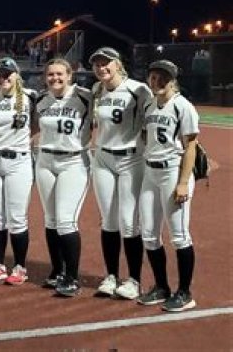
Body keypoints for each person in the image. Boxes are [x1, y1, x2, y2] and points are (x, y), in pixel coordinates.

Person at [88, 47, 153, 300]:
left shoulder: (137, 89)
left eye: (106, 63)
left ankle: (134, 279)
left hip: (130, 159)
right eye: (97, 64)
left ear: (118, 64)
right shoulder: (97, 90)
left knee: (128, 221)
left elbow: (153, 118)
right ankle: (111, 276)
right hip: (103, 158)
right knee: (108, 220)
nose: (101, 68)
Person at [137, 60, 199, 312]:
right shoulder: (149, 104)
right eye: (153, 77)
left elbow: (191, 147)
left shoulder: (183, 106)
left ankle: (184, 292)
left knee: (179, 236)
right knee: (149, 234)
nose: (157, 82)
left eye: (163, 77)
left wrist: (183, 182)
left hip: (173, 172)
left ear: (173, 80)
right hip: (150, 173)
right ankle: (161, 287)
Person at [35, 58, 93, 297]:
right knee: (50, 219)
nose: (55, 78)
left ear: (70, 75)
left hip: (73, 161)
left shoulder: (85, 97)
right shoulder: (41, 99)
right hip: (45, 160)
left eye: (60, 74)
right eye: (51, 74)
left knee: (66, 220)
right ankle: (57, 270)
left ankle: (72, 276)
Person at [0, 57, 36, 285]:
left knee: (17, 218)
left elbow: (36, 125)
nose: (2, 78)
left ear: (16, 75)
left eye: (7, 73)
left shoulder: (30, 97)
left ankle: (20, 267)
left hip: (18, 162)